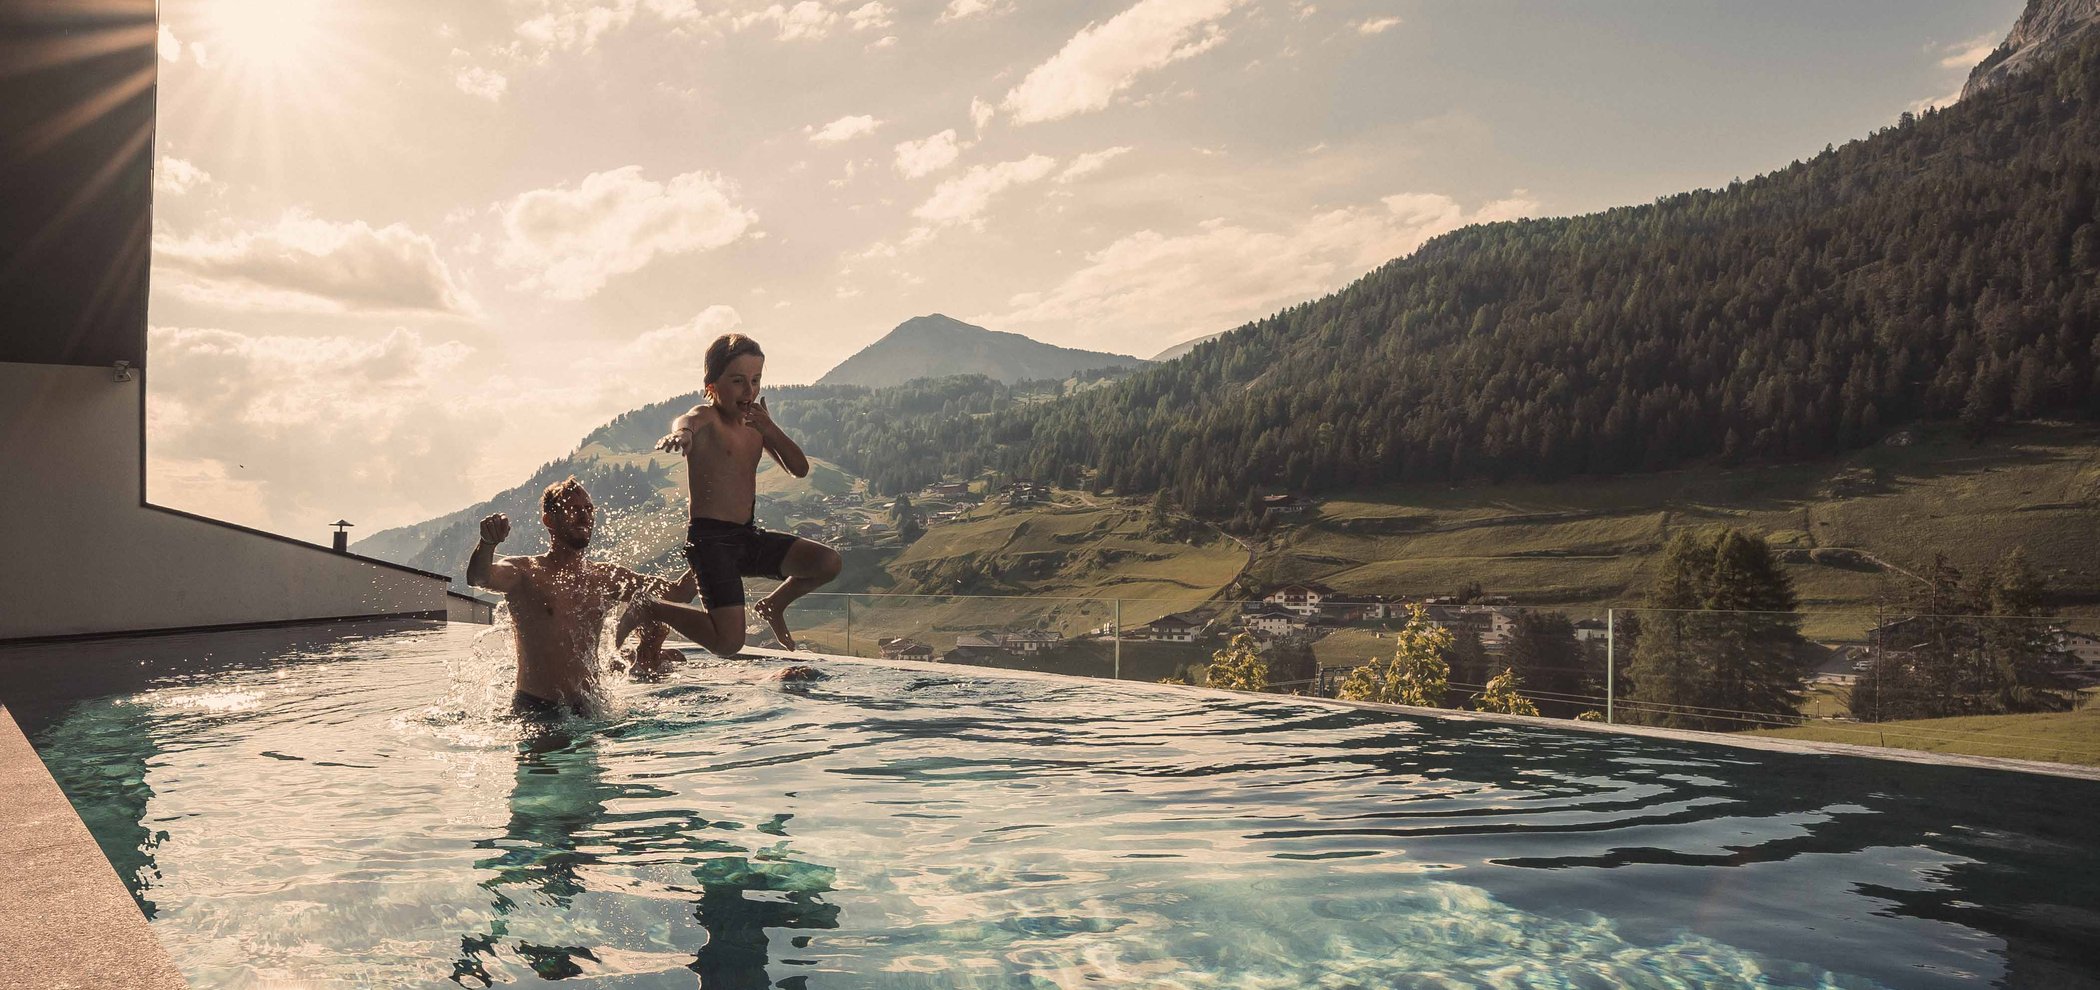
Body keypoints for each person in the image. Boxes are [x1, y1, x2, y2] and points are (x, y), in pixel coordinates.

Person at [619, 333, 842, 655]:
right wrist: (681, 435)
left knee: (827, 562)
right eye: (738, 381)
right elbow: (687, 421)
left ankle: (774, 605)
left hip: (746, 537)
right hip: (710, 542)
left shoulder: (756, 427)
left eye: (756, 380)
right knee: (728, 643)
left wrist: (770, 428)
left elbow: (800, 468)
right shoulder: (707, 418)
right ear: (712, 387)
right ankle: (649, 606)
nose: (749, 391)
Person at [467, 477, 683, 718]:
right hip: (538, 710)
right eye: (574, 509)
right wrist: (487, 543)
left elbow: (675, 592)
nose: (584, 516)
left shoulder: (606, 577)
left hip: (591, 707)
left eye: (589, 509)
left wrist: (711, 550)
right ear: (549, 520)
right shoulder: (525, 572)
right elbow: (479, 578)